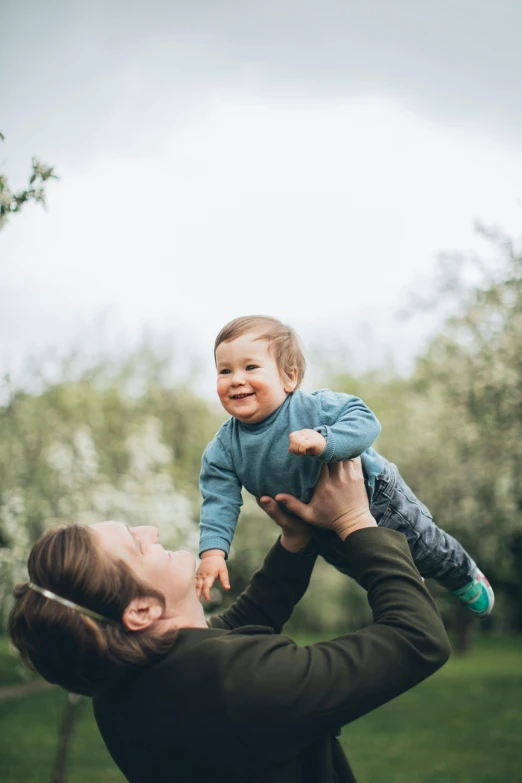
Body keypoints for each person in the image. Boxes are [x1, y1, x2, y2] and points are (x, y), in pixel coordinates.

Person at [9, 459, 450, 783]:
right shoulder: (240, 684)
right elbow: (416, 638)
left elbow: (235, 626)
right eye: (136, 545)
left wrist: (295, 543)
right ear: (141, 611)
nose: (151, 533)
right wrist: (356, 521)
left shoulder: (120, 686)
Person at [197, 315, 494, 616]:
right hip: (321, 528)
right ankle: (408, 587)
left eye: (250, 367)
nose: (235, 379)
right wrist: (213, 552)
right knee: (367, 570)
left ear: (288, 377)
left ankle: (462, 573)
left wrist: (326, 441)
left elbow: (365, 421)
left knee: (425, 548)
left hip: (377, 499)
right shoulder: (224, 448)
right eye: (224, 370)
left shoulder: (313, 407)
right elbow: (218, 500)